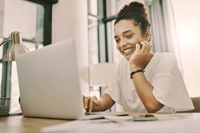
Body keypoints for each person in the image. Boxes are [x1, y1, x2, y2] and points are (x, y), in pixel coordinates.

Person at [82, 1, 194, 113]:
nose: (121, 44)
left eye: (128, 36)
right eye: (117, 40)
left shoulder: (166, 60)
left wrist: (135, 65)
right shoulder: (123, 64)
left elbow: (152, 105)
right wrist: (97, 105)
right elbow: (111, 94)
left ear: (146, 35)